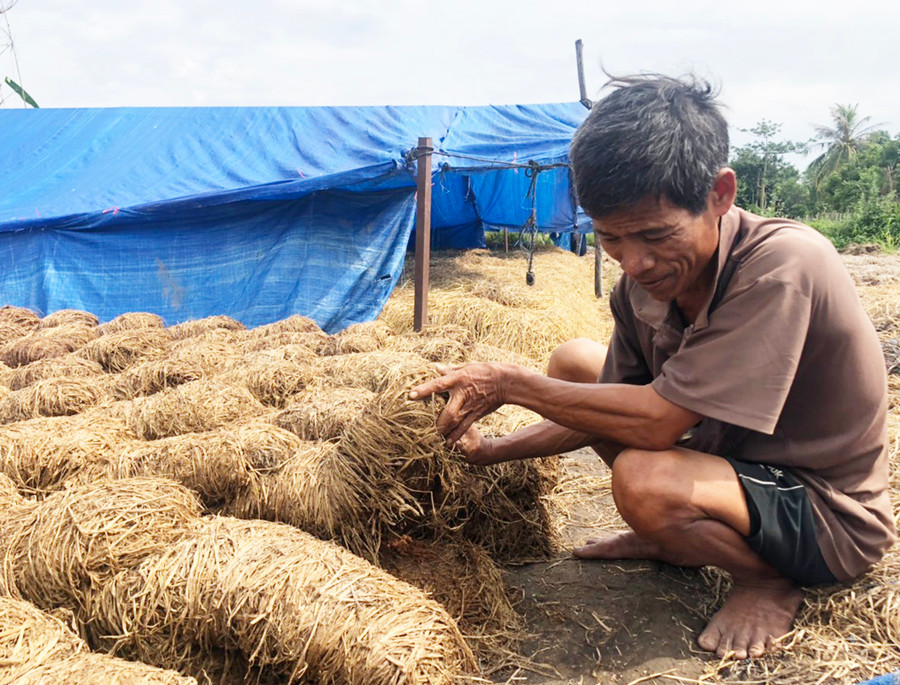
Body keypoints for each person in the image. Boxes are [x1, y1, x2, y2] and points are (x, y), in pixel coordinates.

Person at [409, 74, 896, 660]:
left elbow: (655, 425)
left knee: (642, 478)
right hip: (731, 462)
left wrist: (512, 384)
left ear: (719, 194)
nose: (635, 262)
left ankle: (767, 580)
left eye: (655, 235)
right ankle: (680, 538)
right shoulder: (640, 289)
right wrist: (492, 451)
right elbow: (605, 411)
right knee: (576, 364)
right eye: (610, 238)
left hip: (821, 511)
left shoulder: (781, 265)